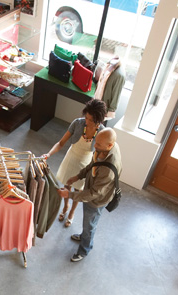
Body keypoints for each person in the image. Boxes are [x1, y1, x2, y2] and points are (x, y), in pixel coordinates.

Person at [58, 127, 121, 262]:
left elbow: (93, 194)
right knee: (88, 223)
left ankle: (84, 249)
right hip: (93, 194)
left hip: (96, 201)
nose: (94, 146)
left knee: (90, 225)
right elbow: (93, 164)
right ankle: (83, 236)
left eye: (98, 144)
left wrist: (68, 195)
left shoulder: (107, 170)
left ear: (109, 145)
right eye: (95, 141)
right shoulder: (106, 149)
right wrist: (77, 177)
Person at [42, 99, 107, 228]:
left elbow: (101, 154)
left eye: (91, 120)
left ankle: (71, 212)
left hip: (86, 162)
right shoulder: (77, 123)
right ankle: (66, 206)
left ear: (98, 120)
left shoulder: (102, 132)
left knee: (79, 189)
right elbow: (61, 143)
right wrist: (48, 154)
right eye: (86, 118)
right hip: (71, 158)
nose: (87, 122)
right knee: (67, 185)